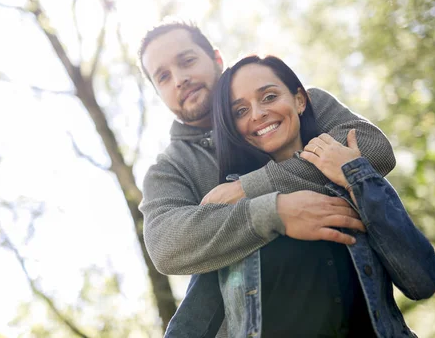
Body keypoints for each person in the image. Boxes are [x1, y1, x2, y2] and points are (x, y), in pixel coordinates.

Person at [138, 21, 399, 337]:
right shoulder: (170, 169)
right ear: (158, 92)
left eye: (187, 60)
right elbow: (166, 245)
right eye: (163, 76)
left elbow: (374, 150)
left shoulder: (295, 104)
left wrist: (249, 188)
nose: (180, 79)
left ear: (216, 59)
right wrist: (275, 213)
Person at [193, 55, 435, 337]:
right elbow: (195, 317)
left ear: (300, 101)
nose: (257, 114)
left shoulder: (351, 174)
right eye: (240, 111)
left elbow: (423, 280)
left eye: (269, 96)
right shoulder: (232, 203)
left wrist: (355, 175)